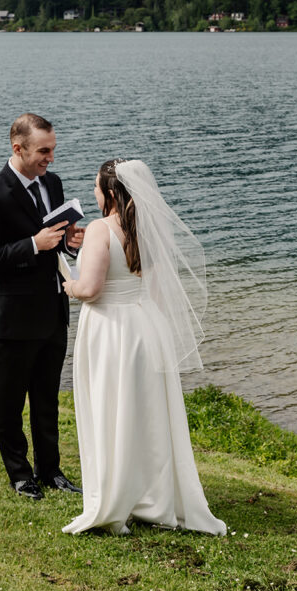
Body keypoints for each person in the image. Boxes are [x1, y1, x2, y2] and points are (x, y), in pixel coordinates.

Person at [62, 159, 226, 536]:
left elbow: (90, 290)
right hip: (146, 326)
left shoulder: (103, 230)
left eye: (96, 187)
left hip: (112, 330)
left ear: (110, 193)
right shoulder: (144, 228)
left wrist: (67, 284)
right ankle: (154, 496)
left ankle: (118, 495)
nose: (93, 192)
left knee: (113, 409)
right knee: (147, 413)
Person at [0, 113, 84, 500]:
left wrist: (70, 242)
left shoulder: (53, 183)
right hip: (14, 317)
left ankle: (50, 470)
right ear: (18, 148)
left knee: (47, 397)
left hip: (53, 310)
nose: (50, 158)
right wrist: (34, 244)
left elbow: (55, 239)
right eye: (43, 151)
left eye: (53, 149)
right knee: (10, 402)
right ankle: (20, 474)